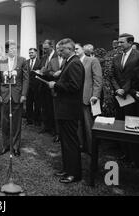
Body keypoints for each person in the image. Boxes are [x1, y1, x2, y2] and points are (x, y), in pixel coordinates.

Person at [48, 38, 85, 184]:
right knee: (65, 142)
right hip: (65, 109)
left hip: (70, 110)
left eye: (61, 50)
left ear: (69, 49)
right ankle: (68, 169)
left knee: (71, 142)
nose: (59, 52)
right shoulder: (69, 62)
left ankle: (74, 174)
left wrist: (56, 85)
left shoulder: (74, 63)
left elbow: (74, 87)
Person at [0, 40, 29, 157]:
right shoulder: (2, 61)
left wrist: (24, 94)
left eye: (15, 48)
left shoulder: (22, 61)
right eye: (11, 49)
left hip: (17, 95)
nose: (13, 50)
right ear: (6, 50)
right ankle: (5, 145)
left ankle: (15, 147)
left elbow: (25, 79)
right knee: (4, 122)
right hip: (4, 95)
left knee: (16, 122)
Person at [75, 43, 103, 155]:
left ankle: (93, 149)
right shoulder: (74, 62)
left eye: (77, 48)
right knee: (78, 125)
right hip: (76, 99)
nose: (75, 51)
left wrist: (96, 95)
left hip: (89, 98)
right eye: (73, 49)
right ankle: (81, 146)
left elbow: (98, 79)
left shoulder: (92, 60)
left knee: (89, 126)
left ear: (82, 49)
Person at [111, 33, 139, 120]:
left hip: (132, 95)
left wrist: (125, 89)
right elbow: (113, 75)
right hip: (118, 95)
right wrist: (117, 89)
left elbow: (138, 75)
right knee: (119, 121)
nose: (119, 45)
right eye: (118, 42)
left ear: (130, 43)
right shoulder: (116, 58)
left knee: (131, 121)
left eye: (121, 42)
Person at [39, 40, 57, 135]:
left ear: (51, 46)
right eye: (43, 48)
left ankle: (54, 129)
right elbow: (42, 68)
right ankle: (46, 126)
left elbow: (58, 71)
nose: (44, 50)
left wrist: (47, 72)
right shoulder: (43, 57)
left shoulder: (57, 56)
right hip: (43, 85)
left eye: (46, 48)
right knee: (45, 107)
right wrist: (40, 71)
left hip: (53, 85)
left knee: (52, 108)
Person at [25, 47, 42, 126]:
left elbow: (42, 73)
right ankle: (29, 120)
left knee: (37, 104)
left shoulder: (40, 62)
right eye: (29, 53)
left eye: (32, 52)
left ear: (36, 53)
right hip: (28, 86)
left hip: (37, 86)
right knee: (28, 103)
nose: (30, 54)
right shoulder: (26, 62)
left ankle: (37, 120)